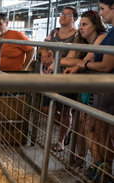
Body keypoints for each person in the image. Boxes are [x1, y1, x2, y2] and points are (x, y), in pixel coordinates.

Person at [70, 4, 114, 182]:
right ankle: (101, 167)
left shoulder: (108, 35)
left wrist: (84, 65)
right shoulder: (110, 33)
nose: (101, 12)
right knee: (94, 130)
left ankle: (104, 171)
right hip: (100, 89)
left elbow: (105, 66)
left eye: (103, 8)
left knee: (99, 131)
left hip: (105, 89)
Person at [36, 7, 79, 153]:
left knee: (66, 109)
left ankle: (60, 140)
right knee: (48, 108)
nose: (64, 17)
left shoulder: (77, 35)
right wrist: (44, 55)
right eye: (62, 14)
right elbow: (43, 46)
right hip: (50, 76)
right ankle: (68, 129)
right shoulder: (54, 32)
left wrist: (55, 59)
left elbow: (74, 57)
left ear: (75, 19)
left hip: (66, 76)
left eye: (68, 15)